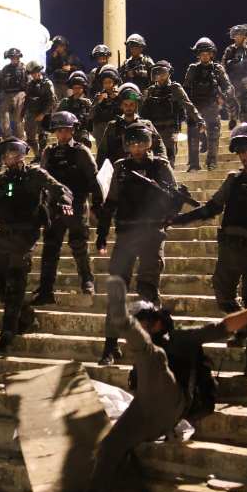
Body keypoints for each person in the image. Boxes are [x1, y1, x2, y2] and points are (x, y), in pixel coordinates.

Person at [62, 277, 247, 492]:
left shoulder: (181, 339)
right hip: (146, 410)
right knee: (110, 444)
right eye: (136, 325)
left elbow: (226, 325)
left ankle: (122, 318)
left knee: (152, 356)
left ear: (156, 323)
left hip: (174, 403)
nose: (143, 329)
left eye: (143, 324)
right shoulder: (145, 351)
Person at [171, 123, 247, 376]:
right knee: (222, 291)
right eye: (242, 152)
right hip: (229, 249)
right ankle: (240, 327)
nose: (246, 156)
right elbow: (211, 208)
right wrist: (178, 219)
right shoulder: (233, 180)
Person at [0, 138, 72, 355]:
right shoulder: (5, 179)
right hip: (5, 236)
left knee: (15, 284)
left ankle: (6, 335)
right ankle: (25, 315)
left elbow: (59, 188)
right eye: (7, 155)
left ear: (23, 154)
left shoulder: (35, 174)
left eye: (15, 153)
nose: (11, 158)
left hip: (25, 235)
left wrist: (64, 202)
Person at [95, 124, 178, 364]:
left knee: (148, 291)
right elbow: (110, 203)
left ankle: (152, 344)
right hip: (127, 234)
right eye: (133, 143)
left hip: (152, 234)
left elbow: (174, 198)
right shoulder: (121, 168)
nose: (138, 148)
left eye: (141, 142)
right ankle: (110, 347)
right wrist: (102, 233)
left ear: (149, 143)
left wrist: (164, 208)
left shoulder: (160, 166)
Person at [32, 111, 100, 304]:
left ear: (72, 131)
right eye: (59, 130)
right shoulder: (49, 152)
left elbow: (94, 180)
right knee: (50, 248)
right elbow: (42, 179)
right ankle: (46, 290)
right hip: (54, 207)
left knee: (79, 244)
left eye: (66, 130)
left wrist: (96, 205)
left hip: (76, 205)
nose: (62, 134)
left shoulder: (81, 151)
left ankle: (87, 281)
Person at [183, 38, 236, 171]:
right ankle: (194, 164)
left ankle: (212, 162)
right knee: (193, 134)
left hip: (211, 105)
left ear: (211, 54)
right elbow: (186, 88)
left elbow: (228, 86)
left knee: (214, 133)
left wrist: (226, 95)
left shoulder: (217, 69)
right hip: (195, 106)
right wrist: (187, 107)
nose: (205, 56)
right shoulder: (193, 69)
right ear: (198, 55)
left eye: (207, 53)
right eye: (202, 53)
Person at [141, 60, 200, 168]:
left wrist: (199, 120)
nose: (159, 76)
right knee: (155, 162)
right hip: (154, 131)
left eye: (162, 73)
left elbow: (188, 105)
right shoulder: (150, 91)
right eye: (157, 73)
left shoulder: (174, 88)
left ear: (168, 73)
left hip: (170, 130)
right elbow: (142, 111)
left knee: (169, 161)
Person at [97, 83, 167, 166]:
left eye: (131, 104)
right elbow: (102, 151)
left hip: (144, 167)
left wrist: (162, 159)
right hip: (120, 169)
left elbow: (159, 146)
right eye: (125, 105)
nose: (128, 107)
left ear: (136, 105)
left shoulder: (147, 125)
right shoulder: (113, 126)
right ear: (121, 106)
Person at [222, 24, 247, 124]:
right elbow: (223, 66)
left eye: (240, 35)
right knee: (231, 103)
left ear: (245, 36)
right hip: (232, 81)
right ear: (233, 36)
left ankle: (245, 124)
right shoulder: (229, 50)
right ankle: (233, 120)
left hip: (246, 80)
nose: (238, 37)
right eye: (236, 35)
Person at [23, 60, 56, 158]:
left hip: (44, 113)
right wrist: (22, 113)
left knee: (43, 137)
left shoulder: (47, 83)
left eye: (36, 72)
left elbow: (51, 100)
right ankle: (38, 156)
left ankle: (42, 157)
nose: (35, 75)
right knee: (30, 138)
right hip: (31, 113)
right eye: (32, 73)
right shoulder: (30, 84)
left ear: (40, 71)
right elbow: (27, 99)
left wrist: (43, 114)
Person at [57, 71, 95, 148]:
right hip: (67, 131)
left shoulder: (87, 102)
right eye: (75, 88)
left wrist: (90, 106)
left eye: (79, 88)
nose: (77, 90)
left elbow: (93, 117)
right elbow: (58, 116)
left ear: (83, 88)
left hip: (82, 131)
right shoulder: (65, 102)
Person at [89, 66, 121, 157]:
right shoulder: (99, 96)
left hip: (116, 129)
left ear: (114, 82)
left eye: (109, 82)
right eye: (105, 83)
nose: (107, 85)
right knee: (102, 154)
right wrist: (99, 102)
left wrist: (117, 99)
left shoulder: (120, 95)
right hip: (101, 129)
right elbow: (91, 114)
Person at [0, 48, 28, 139]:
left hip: (20, 93)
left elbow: (28, 82)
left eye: (15, 57)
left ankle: (21, 138)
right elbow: (1, 83)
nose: (14, 59)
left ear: (19, 57)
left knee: (19, 118)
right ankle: (7, 137)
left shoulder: (24, 68)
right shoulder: (5, 69)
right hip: (7, 94)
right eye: (12, 57)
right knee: (4, 116)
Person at [48, 36, 78, 102]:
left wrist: (71, 67)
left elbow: (80, 68)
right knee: (56, 103)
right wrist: (53, 59)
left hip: (68, 84)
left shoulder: (71, 56)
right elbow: (49, 70)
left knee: (69, 103)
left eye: (60, 46)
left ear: (64, 46)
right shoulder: (55, 57)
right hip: (57, 84)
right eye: (56, 47)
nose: (57, 49)